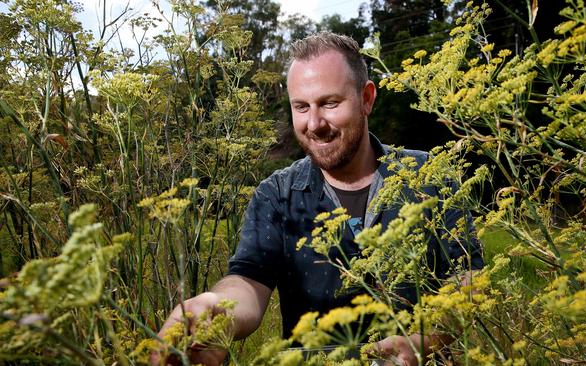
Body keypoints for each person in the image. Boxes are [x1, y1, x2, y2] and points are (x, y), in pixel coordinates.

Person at [153, 31, 483, 366]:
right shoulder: (276, 195)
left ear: (366, 98)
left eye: (329, 103)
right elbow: (249, 281)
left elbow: (468, 276)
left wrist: (426, 339)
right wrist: (217, 309)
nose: (314, 124)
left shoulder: (428, 175)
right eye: (301, 107)